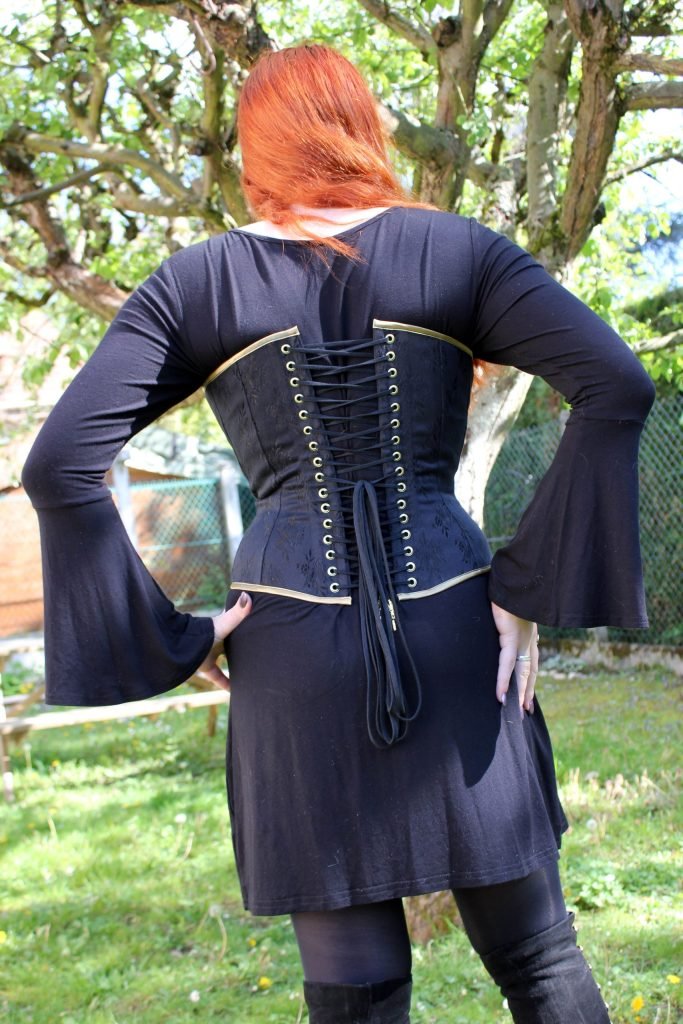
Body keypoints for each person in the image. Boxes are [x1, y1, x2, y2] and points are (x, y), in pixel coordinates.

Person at [22, 43, 654, 1024]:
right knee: (536, 959)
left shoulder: (196, 284)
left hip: (289, 654)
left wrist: (173, 638)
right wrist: (524, 592)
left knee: (356, 996)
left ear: (255, 151)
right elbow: (616, 383)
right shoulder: (456, 252)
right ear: (363, 127)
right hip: (458, 630)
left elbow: (59, 465)